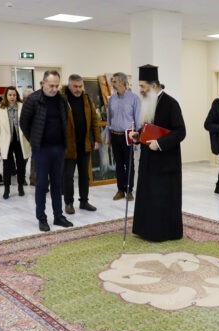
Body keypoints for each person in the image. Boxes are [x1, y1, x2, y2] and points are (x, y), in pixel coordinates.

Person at [131, 64, 186, 242]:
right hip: (148, 160)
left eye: (143, 86)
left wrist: (160, 144)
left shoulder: (171, 104)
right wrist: (138, 136)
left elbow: (180, 132)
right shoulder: (148, 102)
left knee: (160, 197)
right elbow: (148, 129)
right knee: (148, 195)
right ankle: (145, 230)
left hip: (165, 162)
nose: (141, 90)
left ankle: (161, 233)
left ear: (154, 85)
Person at [19, 70, 73, 232]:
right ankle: (41, 218)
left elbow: (65, 120)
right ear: (43, 83)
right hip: (41, 150)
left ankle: (58, 216)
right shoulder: (33, 100)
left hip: (59, 148)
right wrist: (34, 140)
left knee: (57, 183)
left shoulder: (62, 100)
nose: (54, 89)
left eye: (57, 85)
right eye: (51, 86)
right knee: (42, 184)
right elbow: (23, 123)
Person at [63, 74, 102, 214]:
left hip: (84, 144)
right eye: (75, 86)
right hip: (68, 146)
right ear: (69, 85)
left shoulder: (87, 99)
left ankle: (84, 201)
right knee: (68, 176)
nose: (78, 89)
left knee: (85, 175)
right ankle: (68, 203)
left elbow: (94, 120)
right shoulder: (62, 99)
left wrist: (97, 139)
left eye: (80, 86)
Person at [106, 72, 141, 201]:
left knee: (129, 163)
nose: (112, 84)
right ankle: (120, 190)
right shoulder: (111, 99)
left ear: (123, 82)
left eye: (115, 81)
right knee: (119, 164)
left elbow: (138, 119)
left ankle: (129, 190)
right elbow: (109, 119)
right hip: (115, 135)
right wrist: (108, 136)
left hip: (128, 136)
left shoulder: (134, 99)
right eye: (112, 81)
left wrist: (137, 136)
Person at [0, 86, 31, 199]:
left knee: (21, 164)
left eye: (14, 95)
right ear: (6, 96)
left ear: (16, 96)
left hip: (20, 141)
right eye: (10, 95)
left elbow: (28, 123)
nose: (12, 97)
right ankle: (6, 189)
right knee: (7, 166)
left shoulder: (22, 107)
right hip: (6, 142)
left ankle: (20, 186)